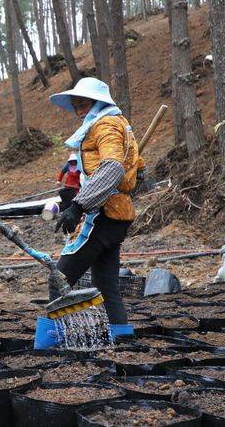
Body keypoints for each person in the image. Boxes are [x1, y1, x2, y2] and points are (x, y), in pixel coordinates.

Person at [48, 77, 144, 329]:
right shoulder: (118, 123)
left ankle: (54, 340)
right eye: (76, 105)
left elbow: (112, 168)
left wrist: (79, 206)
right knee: (106, 285)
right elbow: (139, 167)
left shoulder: (106, 126)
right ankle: (122, 337)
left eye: (84, 104)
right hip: (117, 217)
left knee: (60, 279)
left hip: (101, 214)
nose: (79, 110)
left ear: (97, 103)